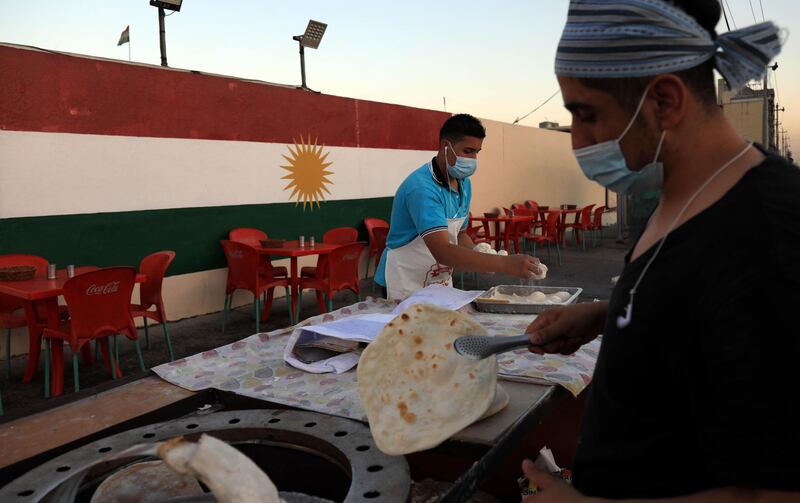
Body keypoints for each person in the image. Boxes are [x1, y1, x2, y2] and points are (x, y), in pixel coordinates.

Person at [522, 0, 800, 501]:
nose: (577, 140)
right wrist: (611, 315)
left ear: (666, 101)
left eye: (587, 114)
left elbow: (772, 493)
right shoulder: (685, 192)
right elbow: (704, 317)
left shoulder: (768, 239)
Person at [375, 113, 541, 300]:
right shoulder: (422, 188)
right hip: (405, 282)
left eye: (477, 152)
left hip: (439, 282)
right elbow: (443, 251)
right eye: (468, 151)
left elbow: (460, 235)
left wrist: (479, 253)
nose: (473, 158)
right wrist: (503, 264)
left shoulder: (463, 183)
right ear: (446, 146)